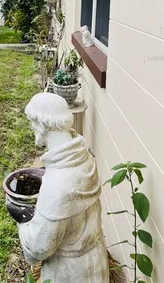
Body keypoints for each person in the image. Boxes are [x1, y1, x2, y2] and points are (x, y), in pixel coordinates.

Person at [15, 92, 109, 282]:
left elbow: (38, 249)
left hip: (70, 273)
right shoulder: (84, 157)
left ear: (42, 125)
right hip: (97, 262)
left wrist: (21, 218)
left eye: (32, 122)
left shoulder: (58, 184)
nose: (31, 127)